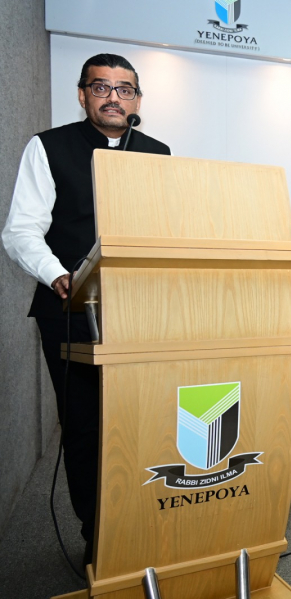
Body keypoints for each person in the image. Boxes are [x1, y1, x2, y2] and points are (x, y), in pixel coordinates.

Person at [2, 53, 170, 567]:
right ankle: (97, 536)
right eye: (102, 87)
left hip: (138, 313)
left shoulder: (158, 153)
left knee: (141, 424)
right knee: (86, 428)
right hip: (70, 310)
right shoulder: (48, 147)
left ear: (137, 99)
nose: (113, 98)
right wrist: (59, 275)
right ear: (82, 95)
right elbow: (21, 231)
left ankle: (143, 525)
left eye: (125, 89)